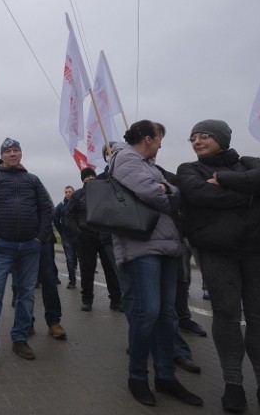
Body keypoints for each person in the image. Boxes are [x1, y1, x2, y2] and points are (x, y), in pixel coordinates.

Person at [177, 120, 260, 415]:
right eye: (193, 137)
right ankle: (233, 384)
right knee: (227, 317)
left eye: (204, 135)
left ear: (222, 138)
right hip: (218, 254)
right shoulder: (188, 170)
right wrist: (249, 194)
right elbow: (198, 195)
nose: (196, 141)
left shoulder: (251, 162)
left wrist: (222, 179)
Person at [109, 120, 201, 408]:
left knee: (166, 314)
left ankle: (166, 376)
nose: (161, 146)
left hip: (165, 245)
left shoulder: (146, 164)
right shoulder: (125, 157)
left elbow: (168, 190)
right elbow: (156, 194)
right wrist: (169, 191)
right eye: (159, 140)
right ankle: (137, 377)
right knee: (146, 311)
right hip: (141, 246)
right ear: (148, 139)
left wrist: (168, 189)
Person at [0, 138, 56, 364]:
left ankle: (20, 338)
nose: (13, 154)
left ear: (21, 154)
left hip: (30, 247)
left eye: (16, 150)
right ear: (2, 156)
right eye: (8, 151)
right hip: (1, 248)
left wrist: (40, 238)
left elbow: (47, 208)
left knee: (26, 294)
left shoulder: (33, 180)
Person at [67, 167, 123, 312]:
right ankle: (87, 299)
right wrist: (78, 232)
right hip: (85, 237)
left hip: (104, 235)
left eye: (93, 175)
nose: (91, 178)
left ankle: (116, 300)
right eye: (87, 176)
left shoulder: (104, 192)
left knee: (110, 270)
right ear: (83, 179)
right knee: (87, 270)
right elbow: (70, 216)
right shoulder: (77, 195)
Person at [52, 185, 77, 288]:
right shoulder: (61, 205)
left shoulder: (78, 203)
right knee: (70, 259)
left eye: (69, 192)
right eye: (66, 192)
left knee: (82, 260)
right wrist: (61, 231)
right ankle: (72, 280)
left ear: (73, 192)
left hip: (79, 236)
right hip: (67, 236)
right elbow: (55, 219)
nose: (67, 193)